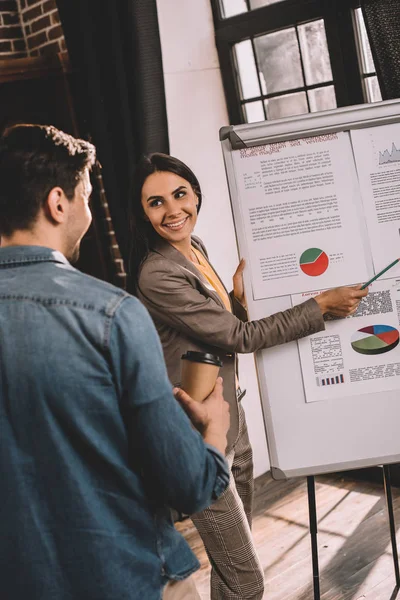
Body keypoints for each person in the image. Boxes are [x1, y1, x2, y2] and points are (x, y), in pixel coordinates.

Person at [0, 124, 231, 600]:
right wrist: (212, 433)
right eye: (85, 196)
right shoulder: (109, 314)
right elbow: (188, 485)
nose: (86, 211)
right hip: (125, 575)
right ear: (58, 203)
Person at [129, 152, 369, 600]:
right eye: (156, 203)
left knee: (230, 571)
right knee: (247, 580)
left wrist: (235, 299)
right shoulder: (157, 272)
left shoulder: (192, 249)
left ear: (196, 193)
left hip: (228, 418)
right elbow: (240, 337)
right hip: (194, 437)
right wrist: (320, 307)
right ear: (142, 214)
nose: (173, 210)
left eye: (180, 194)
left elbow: (214, 330)